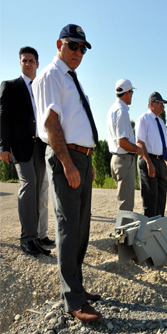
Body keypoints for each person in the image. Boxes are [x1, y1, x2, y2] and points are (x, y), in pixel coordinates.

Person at [33, 24, 101, 322]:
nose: (79, 53)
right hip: (67, 158)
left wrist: (88, 159)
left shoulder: (71, 79)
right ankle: (73, 300)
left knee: (81, 228)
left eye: (83, 48)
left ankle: (78, 289)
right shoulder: (51, 75)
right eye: (74, 46)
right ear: (60, 43)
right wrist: (68, 162)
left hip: (82, 157)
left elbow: (78, 122)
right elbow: (51, 124)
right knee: (67, 227)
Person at [0, 46, 53, 256]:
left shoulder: (42, 87)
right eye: (24, 60)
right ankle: (27, 238)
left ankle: (38, 236)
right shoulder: (10, 86)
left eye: (31, 60)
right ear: (20, 63)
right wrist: (3, 147)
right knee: (29, 184)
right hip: (20, 148)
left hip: (40, 146)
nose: (28, 63)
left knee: (39, 188)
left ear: (37, 64)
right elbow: (3, 118)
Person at [107, 79, 145, 212]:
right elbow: (122, 142)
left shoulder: (113, 109)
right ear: (127, 93)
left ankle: (123, 231)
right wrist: (138, 149)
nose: (132, 95)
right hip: (124, 160)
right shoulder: (122, 111)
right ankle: (124, 233)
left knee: (124, 201)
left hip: (117, 159)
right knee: (126, 205)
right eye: (132, 92)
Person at [135, 92, 167, 218]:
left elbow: (165, 145)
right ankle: (148, 234)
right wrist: (149, 162)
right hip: (148, 160)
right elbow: (140, 142)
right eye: (159, 103)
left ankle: (158, 231)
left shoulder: (161, 122)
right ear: (151, 104)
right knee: (151, 200)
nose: (162, 106)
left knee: (161, 200)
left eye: (163, 104)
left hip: (160, 162)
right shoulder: (143, 119)